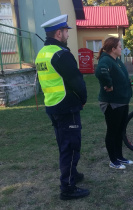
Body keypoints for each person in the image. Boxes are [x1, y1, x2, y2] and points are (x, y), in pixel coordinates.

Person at [35, 14, 89, 200]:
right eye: (66, 31)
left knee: (64, 145)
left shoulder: (42, 53)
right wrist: (83, 98)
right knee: (71, 147)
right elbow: (77, 81)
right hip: (67, 107)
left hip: (53, 105)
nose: (67, 35)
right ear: (59, 33)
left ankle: (72, 174)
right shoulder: (61, 54)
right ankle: (67, 187)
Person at [95, 37, 133, 170]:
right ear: (113, 49)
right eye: (119, 46)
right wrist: (108, 84)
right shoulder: (106, 59)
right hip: (112, 103)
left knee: (120, 130)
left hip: (122, 101)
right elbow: (100, 71)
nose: (121, 49)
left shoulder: (116, 60)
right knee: (112, 131)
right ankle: (113, 160)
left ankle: (119, 157)